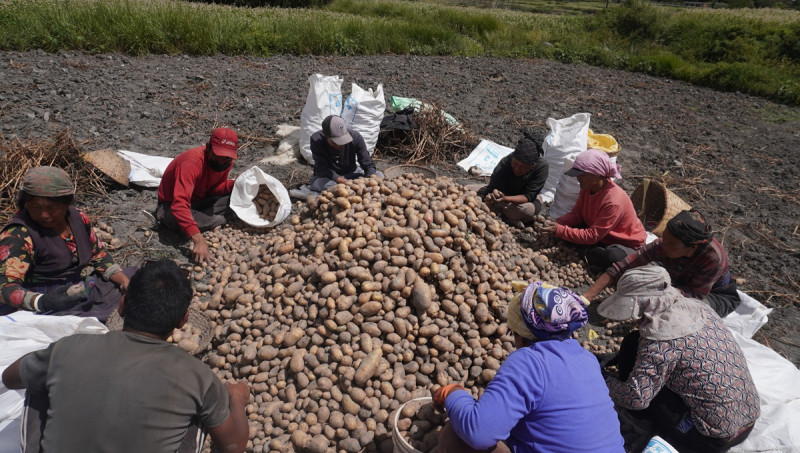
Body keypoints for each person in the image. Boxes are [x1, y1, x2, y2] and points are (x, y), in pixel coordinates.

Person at [2, 259, 250, 453]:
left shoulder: (67, 348)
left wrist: (55, 360)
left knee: (38, 382)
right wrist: (237, 399)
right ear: (183, 320)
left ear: (121, 305)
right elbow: (233, 447)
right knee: (200, 411)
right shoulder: (198, 376)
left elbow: (9, 378)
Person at [433, 281, 625, 453]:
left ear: (522, 334)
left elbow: (477, 432)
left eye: (513, 332)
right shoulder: (588, 359)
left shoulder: (529, 361)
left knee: (454, 437)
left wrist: (453, 394)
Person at [597, 266, 759, 453]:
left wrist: (602, 380)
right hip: (748, 420)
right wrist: (617, 358)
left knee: (638, 395)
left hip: (709, 438)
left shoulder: (659, 342)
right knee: (634, 342)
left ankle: (642, 420)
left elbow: (635, 398)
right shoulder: (700, 308)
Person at [0, 166, 132, 322]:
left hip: (77, 289)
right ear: (26, 204)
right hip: (41, 302)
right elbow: (4, 288)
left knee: (138, 280)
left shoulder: (78, 218)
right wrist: (42, 302)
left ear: (67, 203)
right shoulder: (18, 234)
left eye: (52, 208)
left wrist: (125, 283)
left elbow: (99, 256)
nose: (44, 214)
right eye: (35, 207)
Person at [584, 209, 741, 317]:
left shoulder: (713, 259)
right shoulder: (664, 245)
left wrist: (653, 297)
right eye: (664, 237)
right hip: (676, 279)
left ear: (691, 248)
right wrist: (586, 297)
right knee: (620, 261)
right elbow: (622, 266)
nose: (663, 245)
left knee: (688, 313)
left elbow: (695, 295)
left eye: (671, 244)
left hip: (712, 295)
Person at [542, 148, 646, 272]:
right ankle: (591, 255)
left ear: (596, 176)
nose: (578, 179)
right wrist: (559, 223)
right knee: (567, 235)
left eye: (582, 175)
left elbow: (593, 236)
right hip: (600, 234)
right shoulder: (587, 188)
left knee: (612, 256)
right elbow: (577, 214)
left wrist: (561, 230)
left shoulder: (613, 201)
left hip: (624, 243)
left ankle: (594, 256)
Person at [157, 127, 239, 263]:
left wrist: (234, 184)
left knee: (234, 196)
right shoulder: (192, 163)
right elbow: (179, 205)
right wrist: (199, 240)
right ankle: (207, 219)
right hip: (170, 206)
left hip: (200, 199)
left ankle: (200, 218)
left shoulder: (226, 163)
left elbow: (213, 189)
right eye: (218, 156)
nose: (221, 162)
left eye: (226, 158)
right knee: (218, 219)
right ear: (208, 148)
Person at [470, 132, 549, 228]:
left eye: (522, 167)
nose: (517, 169)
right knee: (469, 190)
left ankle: (506, 214)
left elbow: (528, 196)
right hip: (503, 195)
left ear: (532, 166)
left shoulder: (541, 167)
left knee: (522, 210)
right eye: (515, 164)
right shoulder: (506, 161)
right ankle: (510, 218)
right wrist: (493, 194)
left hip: (524, 201)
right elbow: (493, 187)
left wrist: (506, 199)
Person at [309, 115, 381, 193]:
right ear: (326, 136)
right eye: (335, 142)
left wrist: (369, 181)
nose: (339, 145)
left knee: (379, 175)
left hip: (351, 174)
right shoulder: (317, 140)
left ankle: (348, 191)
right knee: (329, 185)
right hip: (329, 178)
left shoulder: (355, 137)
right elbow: (322, 169)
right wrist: (347, 183)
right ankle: (346, 191)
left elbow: (368, 164)